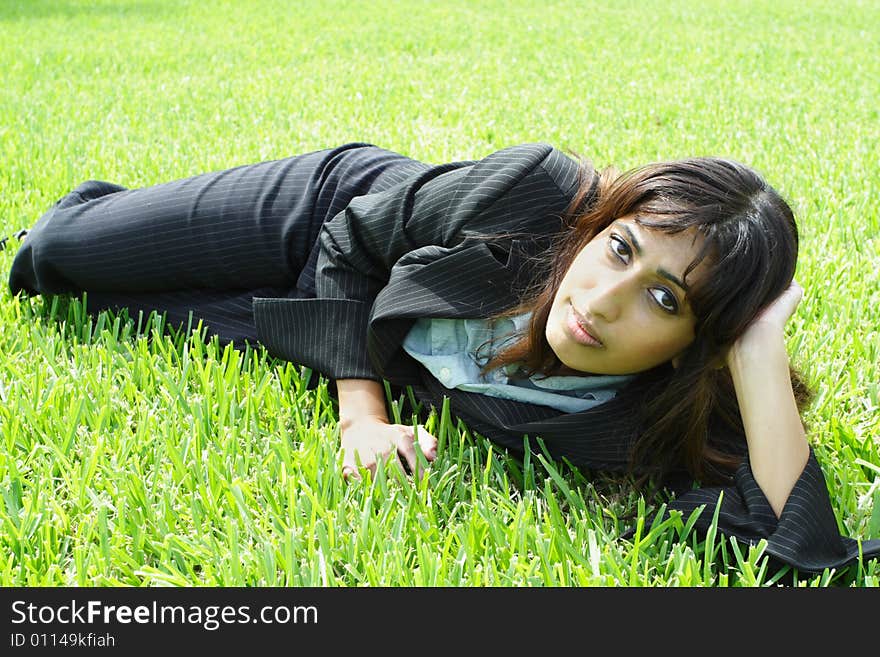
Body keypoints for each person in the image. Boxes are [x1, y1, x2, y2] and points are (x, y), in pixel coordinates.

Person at [5, 142, 879, 574]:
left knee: (104, 307)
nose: (603, 300)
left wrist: (759, 351)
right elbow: (349, 240)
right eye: (620, 248)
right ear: (599, 223)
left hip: (345, 318)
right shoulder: (535, 189)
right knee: (53, 255)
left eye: (667, 300)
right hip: (323, 223)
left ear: (703, 342)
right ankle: (100, 217)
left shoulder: (636, 421)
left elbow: (796, 556)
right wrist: (363, 415)